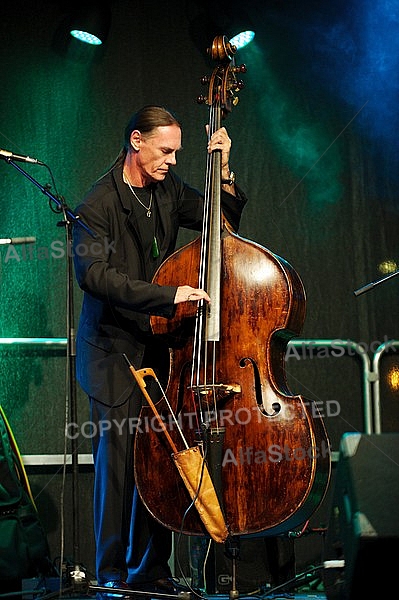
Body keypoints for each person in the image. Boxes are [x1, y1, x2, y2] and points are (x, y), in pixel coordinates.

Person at [72, 105, 248, 596]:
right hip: (111, 351)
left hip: (160, 352)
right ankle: (110, 574)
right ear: (136, 141)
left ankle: (150, 570)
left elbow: (224, 219)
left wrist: (224, 167)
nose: (172, 161)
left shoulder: (167, 190)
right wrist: (169, 296)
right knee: (119, 464)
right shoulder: (98, 203)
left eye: (177, 152)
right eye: (165, 150)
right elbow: (95, 276)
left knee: (162, 462)